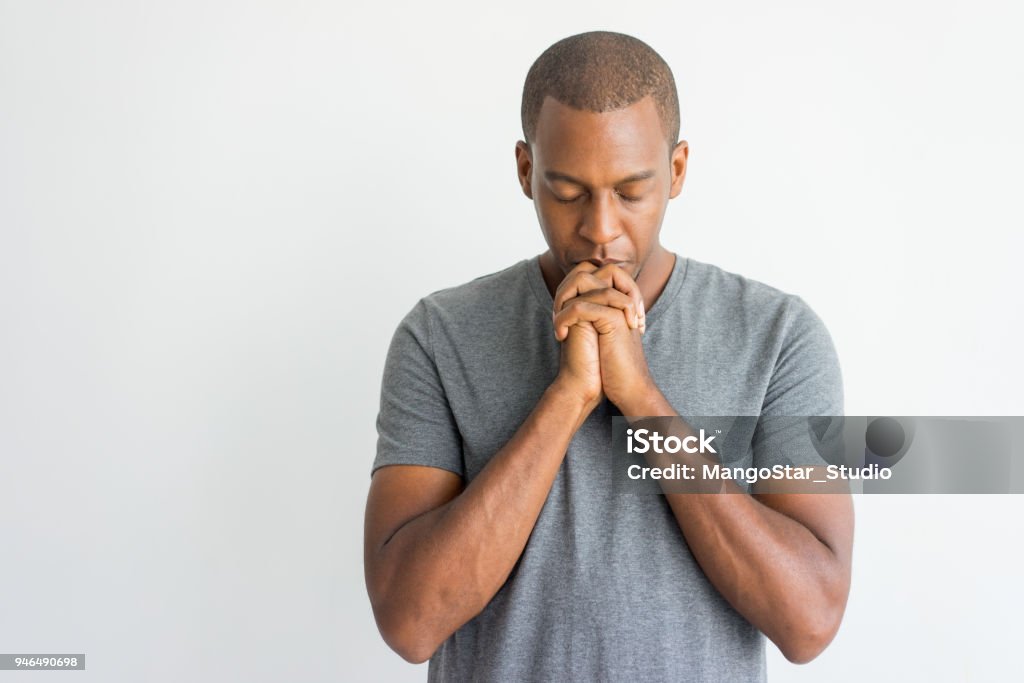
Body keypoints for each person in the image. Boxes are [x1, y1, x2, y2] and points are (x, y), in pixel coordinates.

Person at [364, 30, 853, 682]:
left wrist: (643, 401)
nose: (599, 227)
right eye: (567, 191)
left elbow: (810, 620)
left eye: (630, 191)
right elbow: (409, 620)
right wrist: (568, 397)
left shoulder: (779, 336)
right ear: (525, 170)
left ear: (676, 171)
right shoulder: (439, 335)